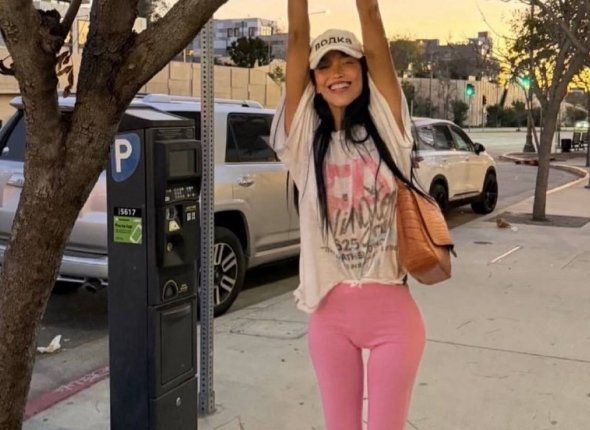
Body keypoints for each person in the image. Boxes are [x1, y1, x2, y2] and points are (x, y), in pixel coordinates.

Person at [269, 1, 426, 429]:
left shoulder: (389, 129)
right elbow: (297, 39)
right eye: (324, 66)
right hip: (329, 317)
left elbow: (372, 23)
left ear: (363, 70)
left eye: (347, 62)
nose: (336, 72)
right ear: (314, 82)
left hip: (393, 316)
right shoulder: (303, 142)